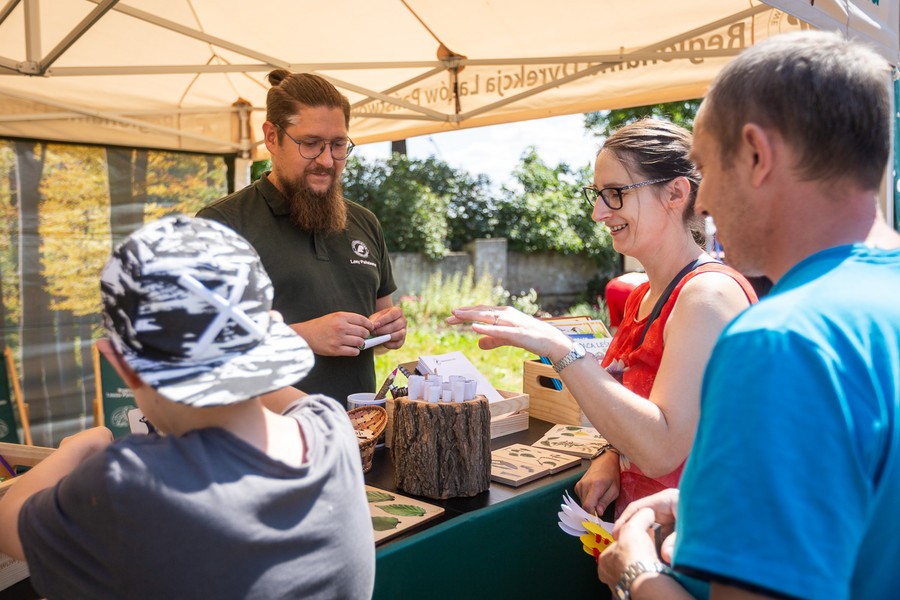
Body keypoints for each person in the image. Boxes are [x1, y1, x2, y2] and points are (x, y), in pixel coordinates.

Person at [597, 30, 900, 600]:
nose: (704, 201)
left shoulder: (780, 340)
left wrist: (634, 572)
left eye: (707, 168)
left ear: (757, 155)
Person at [0, 216, 375, 599]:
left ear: (121, 364)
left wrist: (75, 447)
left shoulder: (131, 484)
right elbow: (282, 394)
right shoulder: (330, 427)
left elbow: (9, 521)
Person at [449, 119, 757, 517]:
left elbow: (661, 450)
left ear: (676, 193)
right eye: (597, 194)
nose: (598, 213)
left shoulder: (707, 295)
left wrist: (558, 346)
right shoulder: (643, 296)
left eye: (615, 194)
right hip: (643, 532)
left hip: (701, 539)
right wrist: (611, 452)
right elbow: (637, 410)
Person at [198, 70, 406, 409]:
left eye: (338, 145)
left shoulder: (364, 222)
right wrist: (305, 336)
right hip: (263, 434)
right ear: (272, 137)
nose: (326, 160)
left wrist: (388, 331)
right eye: (310, 144)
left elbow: (378, 331)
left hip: (358, 430)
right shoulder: (223, 223)